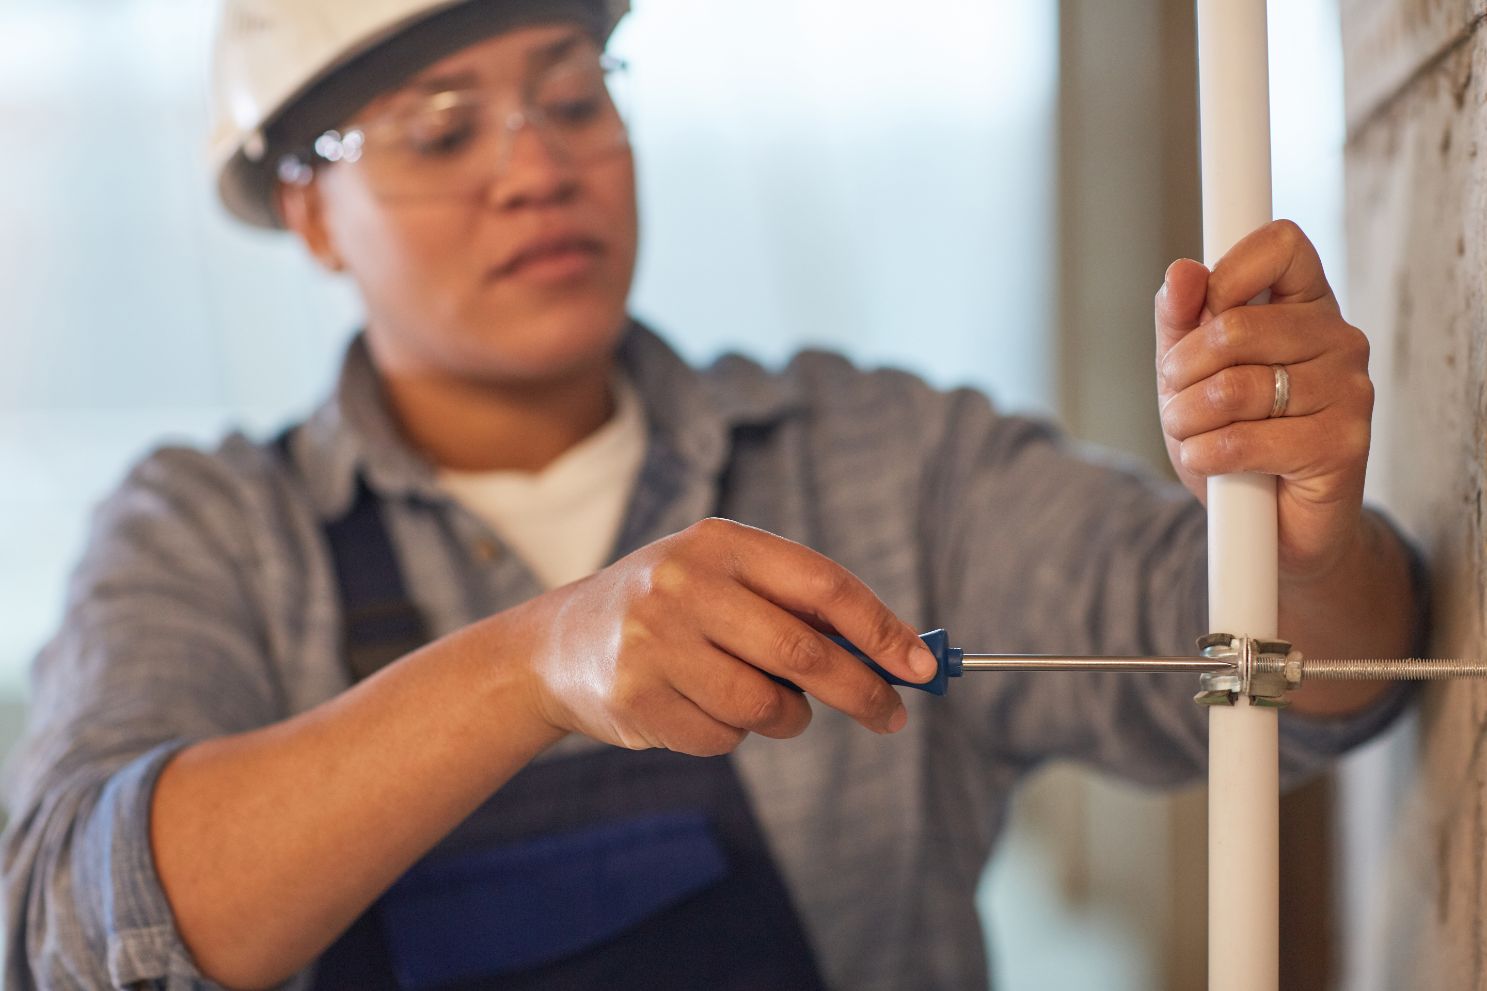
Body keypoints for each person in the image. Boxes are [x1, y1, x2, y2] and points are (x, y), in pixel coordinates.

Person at [1, 0, 1420, 988]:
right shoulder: (209, 537)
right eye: (442, 132)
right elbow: (74, 930)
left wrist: (1298, 530)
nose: (537, 167)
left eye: (572, 98)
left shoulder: (882, 460)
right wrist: (529, 665)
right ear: (310, 214)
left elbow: (1283, 674)